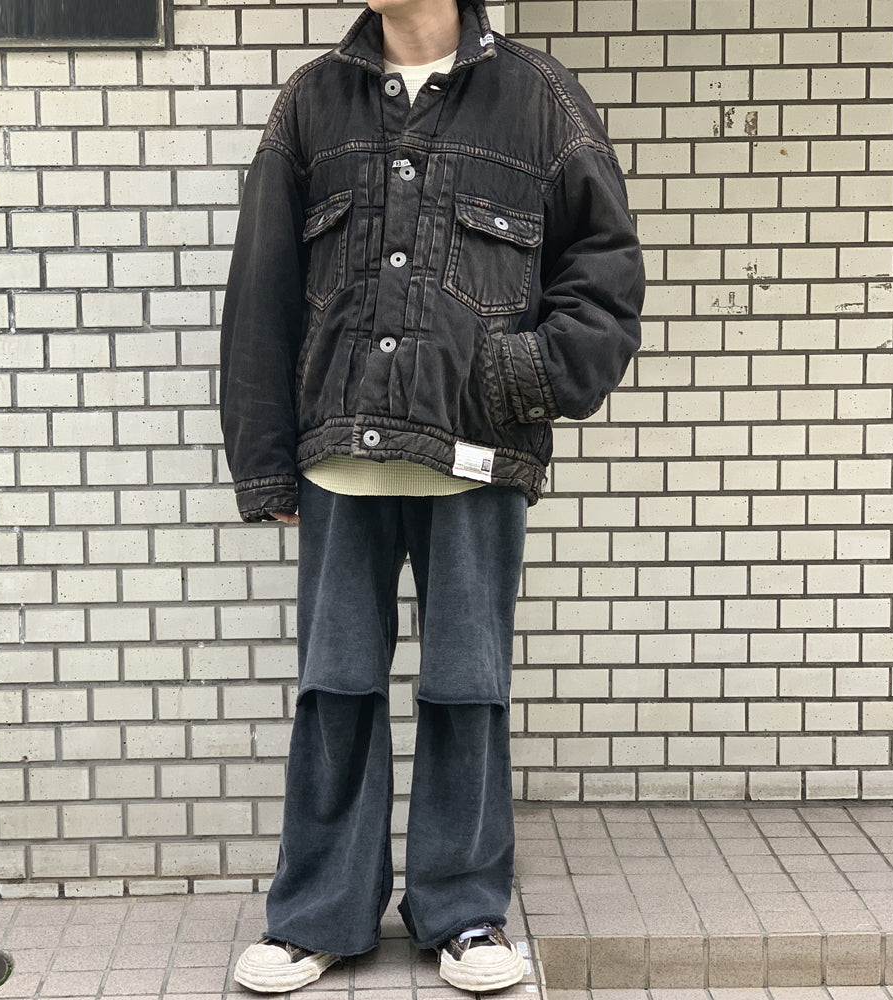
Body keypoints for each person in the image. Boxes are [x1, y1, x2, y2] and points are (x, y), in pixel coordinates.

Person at [219, 0, 645, 990]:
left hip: (475, 456)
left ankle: (463, 912)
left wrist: (519, 376)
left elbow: (606, 274)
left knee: (467, 688)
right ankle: (318, 913)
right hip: (340, 458)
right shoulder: (313, 102)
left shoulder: (537, 99)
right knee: (335, 690)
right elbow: (262, 290)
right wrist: (265, 460)